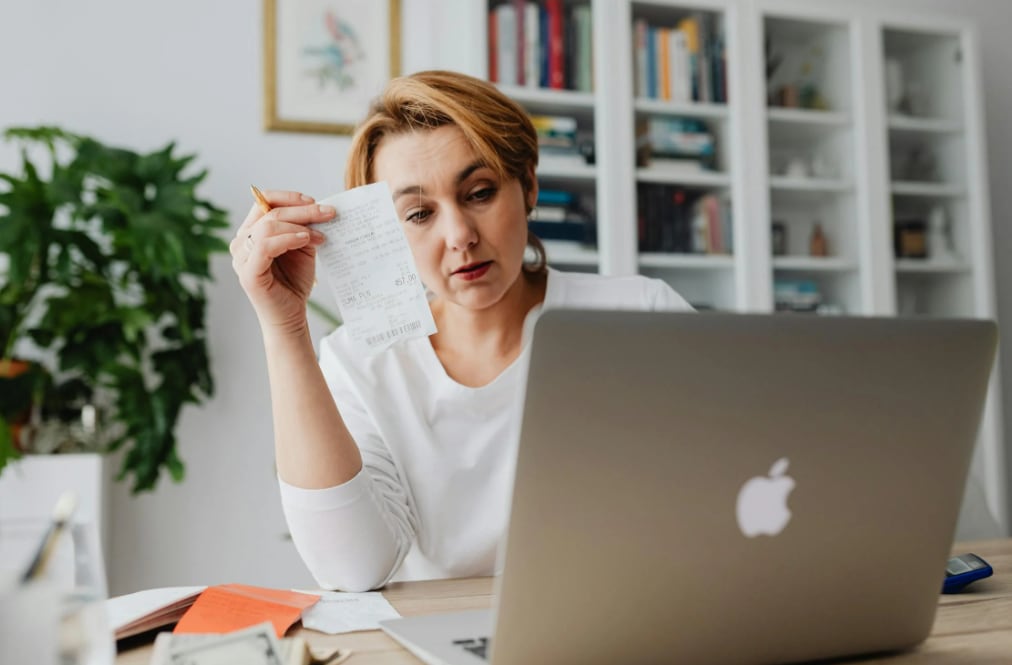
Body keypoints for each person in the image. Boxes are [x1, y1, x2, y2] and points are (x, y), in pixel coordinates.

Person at [231, 70, 693, 592]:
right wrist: (285, 326)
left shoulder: (643, 315)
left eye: (479, 193)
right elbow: (352, 569)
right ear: (386, 230)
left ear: (529, 186)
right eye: (420, 213)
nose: (459, 236)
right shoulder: (361, 364)